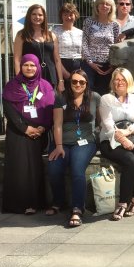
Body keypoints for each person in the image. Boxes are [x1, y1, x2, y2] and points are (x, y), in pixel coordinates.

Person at [1, 54, 55, 214]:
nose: (29, 68)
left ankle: (34, 203)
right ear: (21, 67)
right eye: (26, 65)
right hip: (18, 131)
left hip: (39, 131)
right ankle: (19, 204)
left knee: (34, 166)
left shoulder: (45, 86)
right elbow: (9, 110)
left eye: (32, 65)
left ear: (38, 67)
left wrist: (43, 128)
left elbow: (51, 110)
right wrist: (25, 128)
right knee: (20, 165)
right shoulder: (12, 86)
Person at [48, 69, 100, 227]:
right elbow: (57, 124)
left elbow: (100, 120)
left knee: (77, 169)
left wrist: (98, 136)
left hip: (85, 141)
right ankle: (59, 201)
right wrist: (58, 146)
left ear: (86, 84)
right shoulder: (60, 97)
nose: (78, 85)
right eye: (74, 81)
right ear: (70, 83)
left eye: (82, 82)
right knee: (54, 168)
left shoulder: (94, 97)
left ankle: (77, 209)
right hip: (62, 141)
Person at [98, 68, 134, 220]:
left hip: (133, 135)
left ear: (129, 82)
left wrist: (128, 133)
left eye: (123, 79)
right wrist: (122, 139)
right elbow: (108, 124)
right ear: (113, 82)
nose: (120, 82)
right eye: (117, 79)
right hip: (110, 139)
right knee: (130, 160)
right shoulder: (106, 99)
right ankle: (122, 203)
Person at [14, 4, 65, 93]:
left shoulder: (51, 35)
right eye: (34, 14)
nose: (37, 17)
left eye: (40, 15)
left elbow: (57, 59)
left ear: (44, 17)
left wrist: (61, 81)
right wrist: (19, 79)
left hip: (50, 76)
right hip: (30, 75)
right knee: (32, 103)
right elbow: (17, 59)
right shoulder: (21, 35)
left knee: (50, 103)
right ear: (29, 16)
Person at [82, 0, 120, 94]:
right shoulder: (89, 22)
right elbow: (84, 42)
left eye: (107, 4)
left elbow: (117, 45)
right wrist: (90, 62)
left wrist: (113, 65)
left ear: (111, 8)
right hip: (90, 64)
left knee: (106, 93)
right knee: (88, 92)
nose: (104, 6)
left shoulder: (115, 25)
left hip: (108, 65)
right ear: (97, 7)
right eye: (102, 4)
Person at [52, 3, 83, 88]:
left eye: (71, 14)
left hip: (78, 65)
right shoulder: (55, 32)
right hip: (61, 65)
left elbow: (83, 52)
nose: (68, 17)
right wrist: (64, 73)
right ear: (61, 16)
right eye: (65, 15)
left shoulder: (80, 33)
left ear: (75, 15)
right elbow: (54, 55)